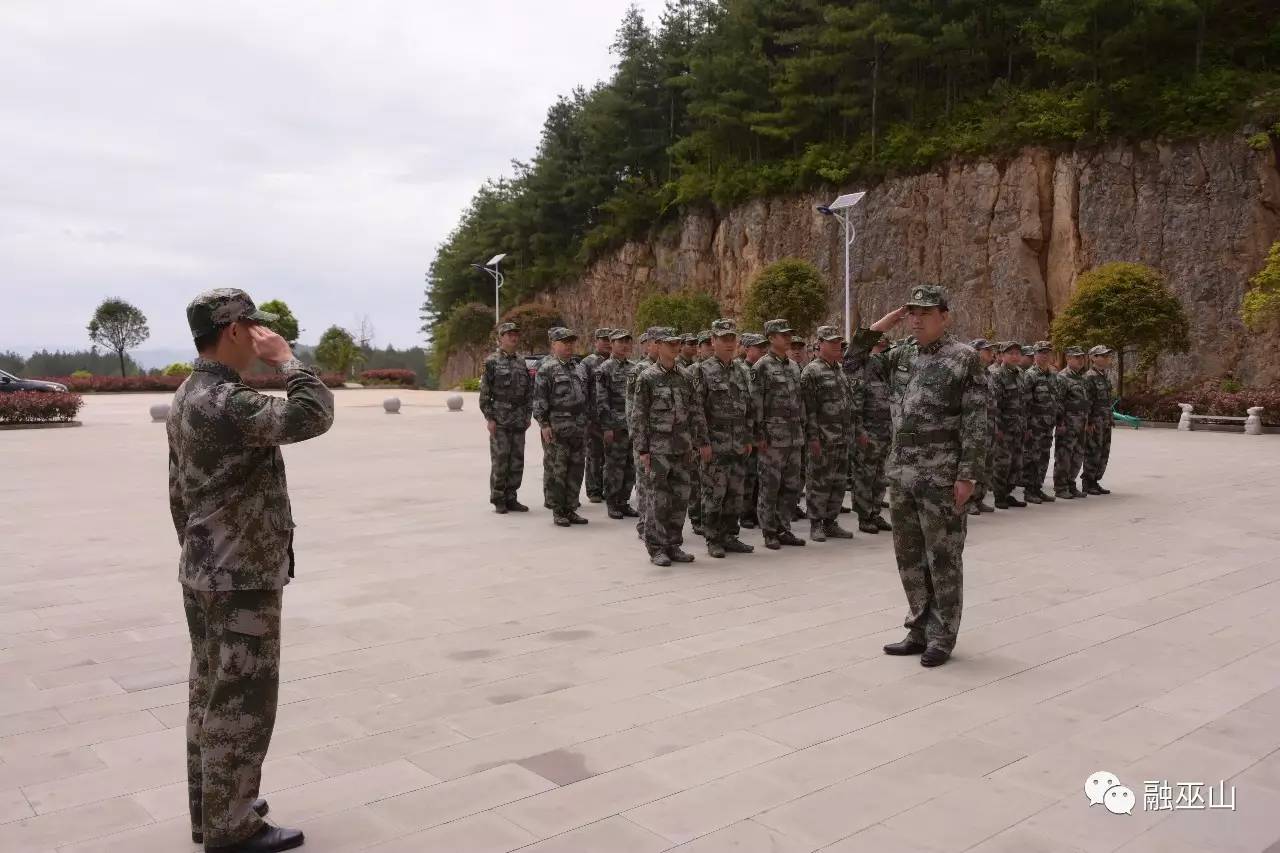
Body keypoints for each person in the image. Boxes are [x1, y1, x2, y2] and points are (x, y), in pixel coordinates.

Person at [168, 288, 333, 852]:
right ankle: (233, 827)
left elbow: (177, 490)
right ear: (234, 331)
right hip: (240, 576)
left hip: (206, 568)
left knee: (210, 691)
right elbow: (314, 413)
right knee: (243, 701)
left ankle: (213, 806)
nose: (261, 335)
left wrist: (197, 550)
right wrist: (287, 361)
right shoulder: (229, 401)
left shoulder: (189, 393)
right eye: (253, 327)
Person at [850, 285, 987, 667]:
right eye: (910, 312)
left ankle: (943, 635)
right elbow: (852, 361)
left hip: (942, 475)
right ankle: (919, 627)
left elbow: (978, 422)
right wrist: (882, 324)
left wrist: (968, 475)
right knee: (909, 556)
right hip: (902, 473)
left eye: (925, 312)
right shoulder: (901, 355)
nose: (916, 319)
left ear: (945, 316)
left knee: (943, 557)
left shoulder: (964, 359)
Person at [634, 328, 710, 566]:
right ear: (657, 345)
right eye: (670, 343)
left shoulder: (686, 377)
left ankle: (673, 544)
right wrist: (643, 450)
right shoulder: (647, 377)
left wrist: (702, 442)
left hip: (683, 447)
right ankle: (656, 547)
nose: (676, 347)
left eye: (678, 343)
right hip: (659, 449)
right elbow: (639, 416)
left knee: (680, 498)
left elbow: (696, 412)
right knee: (658, 499)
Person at [692, 319, 756, 558]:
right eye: (723, 339)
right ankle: (713, 538)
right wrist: (703, 442)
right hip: (715, 444)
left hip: (738, 443)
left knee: (735, 494)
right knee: (713, 493)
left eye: (732, 338)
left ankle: (730, 535)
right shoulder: (702, 370)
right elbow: (696, 409)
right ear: (713, 341)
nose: (729, 343)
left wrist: (748, 437)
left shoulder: (741, 370)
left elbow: (748, 407)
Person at [801, 326, 859, 542]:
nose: (837, 346)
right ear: (820, 344)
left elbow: (849, 405)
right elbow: (809, 409)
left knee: (838, 483)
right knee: (818, 482)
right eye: (832, 342)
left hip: (842, 438)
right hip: (823, 439)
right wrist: (813, 438)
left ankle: (830, 522)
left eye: (838, 342)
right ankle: (816, 523)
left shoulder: (840, 370)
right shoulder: (812, 372)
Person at [753, 319, 807, 550]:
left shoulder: (794, 367)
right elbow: (755, 405)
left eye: (789, 335)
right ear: (771, 338)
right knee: (770, 486)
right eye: (783, 335)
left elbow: (800, 403)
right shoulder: (761, 367)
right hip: (772, 439)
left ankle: (784, 527)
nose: (788, 339)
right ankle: (769, 532)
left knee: (791, 486)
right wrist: (759, 435)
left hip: (794, 437)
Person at [533, 328, 590, 527]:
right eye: (564, 342)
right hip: (557, 428)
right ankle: (558, 510)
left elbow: (586, 398)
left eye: (571, 342)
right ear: (553, 345)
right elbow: (539, 400)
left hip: (578, 428)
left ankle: (571, 508)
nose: (568, 346)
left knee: (576, 469)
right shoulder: (547, 369)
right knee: (558, 470)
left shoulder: (579, 367)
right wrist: (544, 424)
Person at [480, 322, 533, 514]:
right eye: (509, 334)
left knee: (517, 460)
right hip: (500, 418)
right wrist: (490, 418)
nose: (513, 338)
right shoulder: (491, 361)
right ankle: (498, 497)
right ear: (501, 338)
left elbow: (528, 391)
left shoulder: (521, 361)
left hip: (518, 419)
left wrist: (528, 415)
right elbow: (485, 393)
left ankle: (512, 497)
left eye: (516, 334)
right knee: (501, 460)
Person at [848, 335, 892, 532]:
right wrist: (860, 431)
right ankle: (864, 516)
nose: (881, 350)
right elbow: (855, 406)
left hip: (885, 433)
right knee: (864, 476)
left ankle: (875, 512)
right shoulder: (862, 370)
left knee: (879, 477)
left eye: (885, 347)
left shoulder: (886, 372)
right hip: (867, 433)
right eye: (878, 346)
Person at [595, 330, 638, 520]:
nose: (624, 345)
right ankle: (612, 502)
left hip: (633, 426)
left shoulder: (635, 368)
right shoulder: (605, 368)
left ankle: (624, 501)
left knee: (630, 466)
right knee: (614, 466)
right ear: (612, 344)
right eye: (620, 342)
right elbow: (601, 400)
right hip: (615, 426)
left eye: (627, 341)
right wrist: (606, 427)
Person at [626, 328, 662, 539]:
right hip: (645, 437)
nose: (659, 345)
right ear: (648, 345)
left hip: (666, 439)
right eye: (655, 342)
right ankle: (644, 524)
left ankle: (659, 525)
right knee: (645, 483)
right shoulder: (639, 370)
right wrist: (638, 440)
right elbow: (632, 407)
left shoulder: (672, 368)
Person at [578, 328, 614, 505]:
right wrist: (586, 417)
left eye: (609, 339)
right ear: (596, 342)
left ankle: (608, 488)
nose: (607, 342)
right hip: (594, 418)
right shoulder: (588, 363)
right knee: (594, 455)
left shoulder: (617, 362)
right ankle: (594, 490)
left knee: (611, 457)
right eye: (603, 339)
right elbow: (582, 390)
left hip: (614, 418)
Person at [1021, 341, 1059, 504]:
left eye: (1047, 353)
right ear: (1035, 355)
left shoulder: (1052, 375)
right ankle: (1029, 490)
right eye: (1041, 353)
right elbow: (1024, 403)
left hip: (1048, 424)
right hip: (1034, 426)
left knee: (1044, 457)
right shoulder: (1030, 375)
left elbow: (1055, 399)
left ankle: (1038, 487)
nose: (1045, 356)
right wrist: (1027, 426)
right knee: (1032, 457)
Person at [990, 341, 1027, 509]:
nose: (1015, 356)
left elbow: (1024, 403)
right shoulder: (997, 375)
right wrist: (997, 428)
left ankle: (1008, 492)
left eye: (1018, 353)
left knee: (1017, 463)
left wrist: (1025, 426)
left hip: (1018, 427)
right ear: (1002, 355)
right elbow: (993, 404)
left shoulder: (1020, 374)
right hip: (1004, 428)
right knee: (1002, 463)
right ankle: (999, 496)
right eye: (1010, 353)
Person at [738, 333, 768, 530]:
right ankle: (745, 513)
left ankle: (757, 511)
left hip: (761, 429)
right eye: (758, 347)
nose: (763, 350)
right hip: (745, 431)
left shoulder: (764, 369)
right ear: (747, 349)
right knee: (747, 475)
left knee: (759, 475)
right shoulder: (740, 370)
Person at [1053, 346, 1091, 499]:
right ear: (1068, 359)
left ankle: (1071, 483)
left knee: (1078, 455)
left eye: (1082, 357)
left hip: (1081, 423)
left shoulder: (1081, 377)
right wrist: (1060, 422)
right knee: (1064, 456)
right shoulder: (1062, 377)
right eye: (1077, 357)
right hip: (1067, 424)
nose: (1080, 360)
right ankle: (1060, 487)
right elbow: (1058, 401)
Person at [967, 339, 998, 515]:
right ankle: (968, 501)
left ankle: (979, 498)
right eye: (985, 350)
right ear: (975, 352)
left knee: (987, 465)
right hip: (974, 428)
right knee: (973, 466)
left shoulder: (989, 374)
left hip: (990, 426)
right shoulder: (969, 373)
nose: (989, 353)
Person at [1083, 344, 1115, 495]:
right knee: (1093, 451)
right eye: (1103, 355)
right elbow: (1087, 401)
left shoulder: (1104, 375)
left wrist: (1111, 417)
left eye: (1107, 355)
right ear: (1093, 358)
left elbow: (1107, 400)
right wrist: (1088, 422)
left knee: (1103, 451)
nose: (1106, 358)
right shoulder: (1089, 377)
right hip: (1095, 421)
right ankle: (1088, 482)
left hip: (1105, 420)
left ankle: (1095, 480)